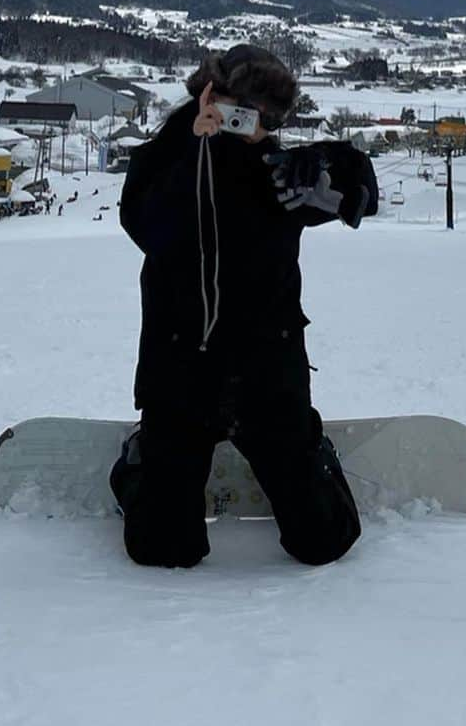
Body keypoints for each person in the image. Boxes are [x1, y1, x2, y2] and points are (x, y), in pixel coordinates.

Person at [111, 44, 379, 569]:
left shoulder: (282, 175)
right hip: (179, 367)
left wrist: (328, 164)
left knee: (323, 542)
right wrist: (192, 146)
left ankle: (310, 451)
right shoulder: (166, 160)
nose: (248, 127)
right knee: (163, 550)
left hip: (267, 373)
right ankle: (146, 456)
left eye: (261, 118)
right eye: (237, 110)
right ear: (208, 96)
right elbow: (145, 226)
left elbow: (358, 183)